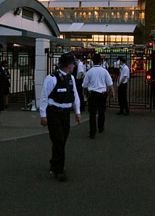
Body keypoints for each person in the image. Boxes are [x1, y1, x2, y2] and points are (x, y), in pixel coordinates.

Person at [39, 52, 81, 182]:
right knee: (59, 140)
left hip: (65, 113)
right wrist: (43, 115)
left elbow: (75, 95)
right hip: (54, 113)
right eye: (72, 63)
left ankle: (54, 162)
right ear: (67, 65)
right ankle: (59, 169)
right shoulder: (51, 78)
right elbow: (44, 97)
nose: (74, 65)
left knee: (61, 140)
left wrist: (77, 112)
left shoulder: (70, 78)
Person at [82, 53, 115, 139]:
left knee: (92, 114)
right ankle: (101, 127)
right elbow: (110, 83)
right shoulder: (104, 71)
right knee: (101, 112)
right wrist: (112, 92)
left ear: (93, 61)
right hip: (102, 94)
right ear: (100, 61)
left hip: (92, 94)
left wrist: (84, 93)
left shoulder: (89, 72)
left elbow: (84, 85)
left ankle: (92, 132)